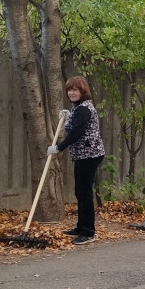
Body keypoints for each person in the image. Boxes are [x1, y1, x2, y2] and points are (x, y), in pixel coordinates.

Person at [47, 76, 106, 245]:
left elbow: (77, 133)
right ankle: (81, 227)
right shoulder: (79, 108)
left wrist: (59, 147)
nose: (71, 93)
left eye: (75, 90)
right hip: (82, 155)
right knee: (80, 192)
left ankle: (88, 232)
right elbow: (75, 124)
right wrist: (67, 117)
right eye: (69, 90)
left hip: (90, 155)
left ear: (83, 91)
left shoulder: (84, 109)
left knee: (85, 192)